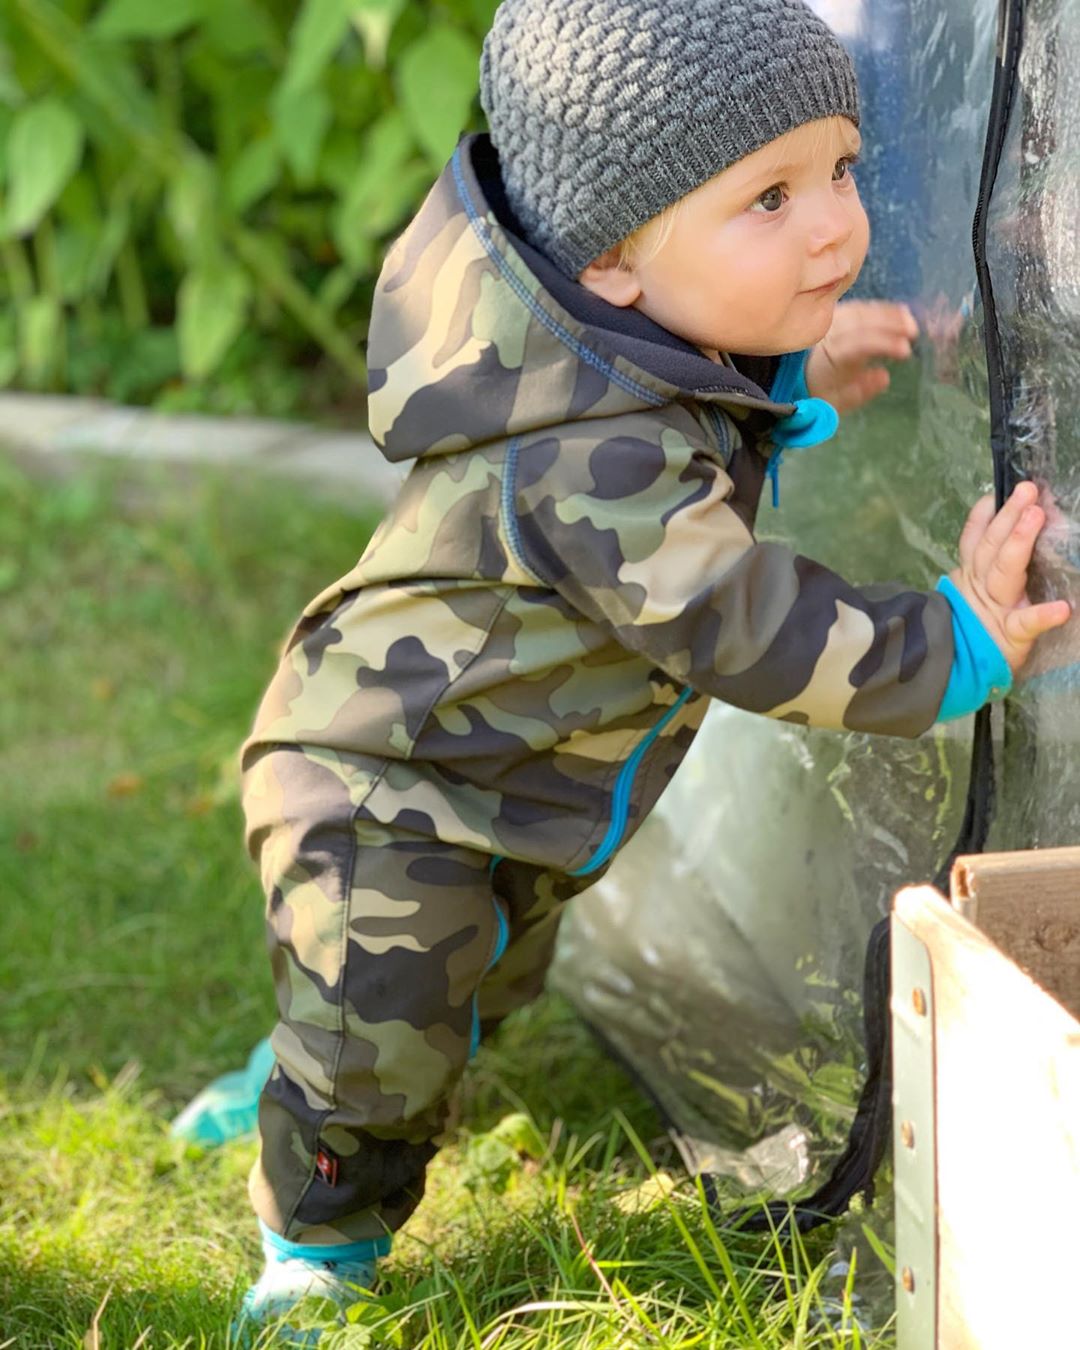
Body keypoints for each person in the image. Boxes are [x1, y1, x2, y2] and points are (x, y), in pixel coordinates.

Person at [234, 0, 1071, 1333]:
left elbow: (691, 409)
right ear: (619, 257)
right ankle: (311, 1241)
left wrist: (788, 367)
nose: (836, 226)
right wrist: (956, 634)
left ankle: (318, 1037)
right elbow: (744, 620)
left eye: (843, 172)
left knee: (477, 972)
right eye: (772, 198)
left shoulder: (606, 349)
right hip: (380, 786)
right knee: (382, 1028)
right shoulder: (591, 458)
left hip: (492, 780)